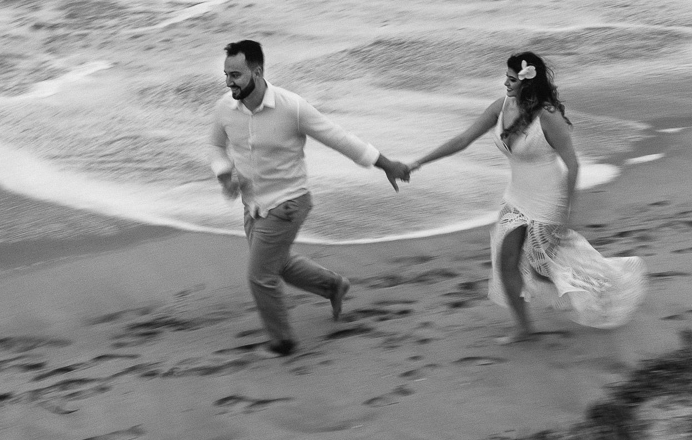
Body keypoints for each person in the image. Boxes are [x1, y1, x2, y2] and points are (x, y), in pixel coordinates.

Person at [409, 52, 646, 342]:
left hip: (548, 199)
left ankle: (610, 285)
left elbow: (572, 164)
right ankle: (524, 328)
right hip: (516, 197)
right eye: (506, 78)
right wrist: (418, 162)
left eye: (511, 79)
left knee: (544, 269)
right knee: (505, 260)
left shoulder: (548, 116)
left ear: (526, 82)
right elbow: (463, 139)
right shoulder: (501, 107)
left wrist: (566, 214)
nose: (505, 83)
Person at [209, 39, 410, 356]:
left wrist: (387, 165)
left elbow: (340, 139)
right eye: (226, 74)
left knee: (260, 277)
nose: (228, 82)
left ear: (257, 72)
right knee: (279, 265)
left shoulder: (292, 107)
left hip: (289, 202)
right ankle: (333, 286)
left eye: (235, 75)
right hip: (252, 204)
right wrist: (223, 172)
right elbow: (216, 146)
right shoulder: (224, 108)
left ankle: (282, 343)